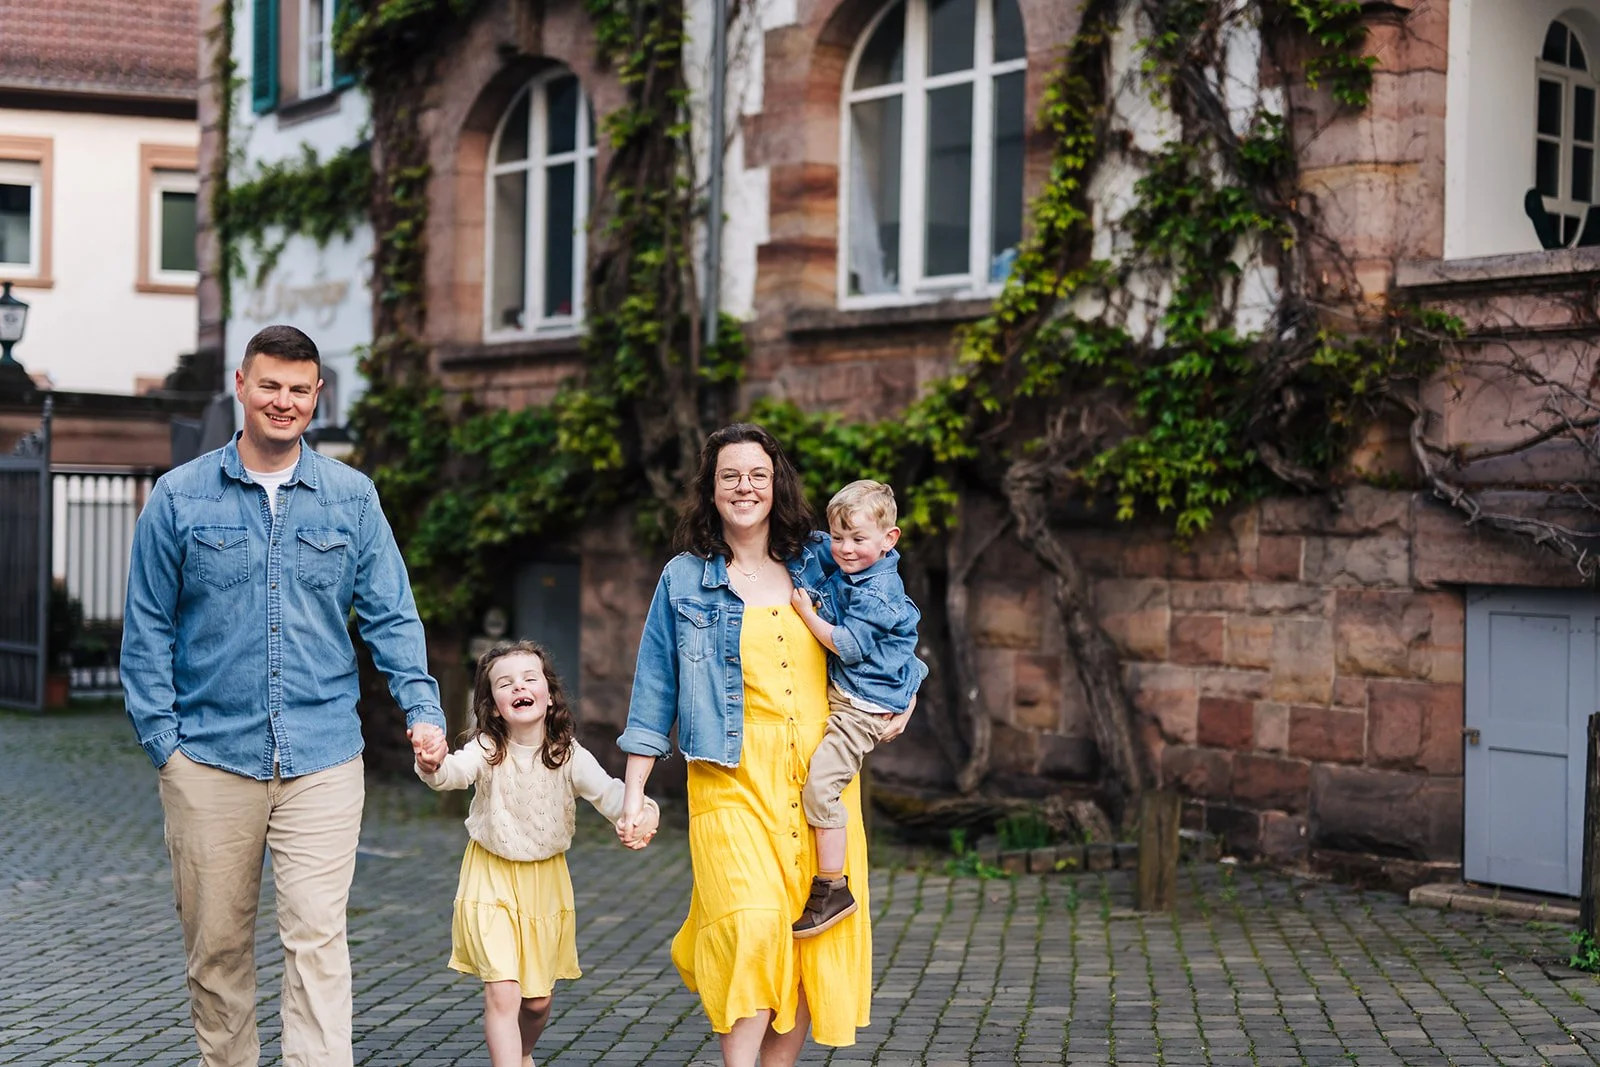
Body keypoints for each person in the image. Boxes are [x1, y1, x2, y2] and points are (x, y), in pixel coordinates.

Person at [121, 324, 449, 1067]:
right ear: (241, 384)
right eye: (269, 384)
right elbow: (146, 630)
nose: (284, 401)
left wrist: (422, 710)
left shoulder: (351, 498)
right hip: (208, 757)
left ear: (317, 395)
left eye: (299, 389)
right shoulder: (179, 497)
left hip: (323, 755)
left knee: (317, 942)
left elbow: (393, 615)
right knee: (218, 950)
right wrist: (165, 747)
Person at [614, 423, 914, 1067]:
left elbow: (892, 622)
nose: (745, 487)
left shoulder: (821, 557)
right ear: (711, 489)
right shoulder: (683, 579)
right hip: (729, 778)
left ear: (777, 485)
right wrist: (633, 793)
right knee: (750, 927)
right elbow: (654, 688)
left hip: (819, 781)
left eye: (758, 474)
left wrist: (909, 691)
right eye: (730, 475)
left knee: (809, 943)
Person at [415, 640, 660, 1067]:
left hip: (545, 883)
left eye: (530, 678)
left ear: (549, 696)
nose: (519, 687)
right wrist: (433, 764)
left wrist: (644, 814)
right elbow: (453, 773)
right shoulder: (487, 749)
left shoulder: (568, 756)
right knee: (503, 990)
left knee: (536, 1002)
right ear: (494, 707)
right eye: (505, 683)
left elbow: (613, 796)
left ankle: (523, 1053)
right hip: (490, 876)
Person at [787, 479, 927, 938]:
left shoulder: (877, 592)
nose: (845, 549)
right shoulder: (856, 565)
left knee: (821, 788)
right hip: (856, 695)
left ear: (889, 539)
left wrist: (806, 613)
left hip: (861, 710)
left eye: (858, 539)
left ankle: (832, 887)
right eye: (839, 537)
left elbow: (848, 646)